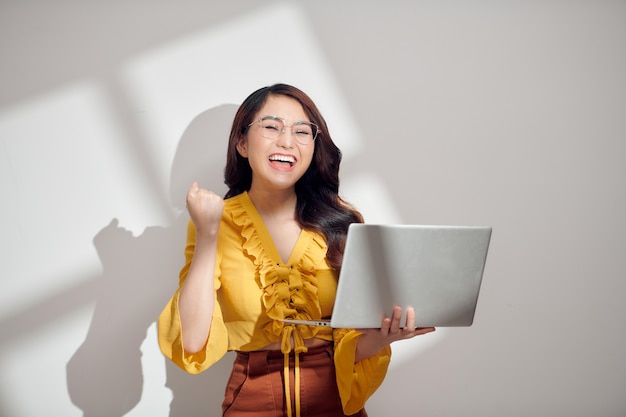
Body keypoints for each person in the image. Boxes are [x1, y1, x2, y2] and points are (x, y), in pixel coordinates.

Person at [158, 83, 435, 417]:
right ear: (242, 143)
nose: (287, 141)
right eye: (272, 127)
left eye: (302, 131)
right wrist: (208, 233)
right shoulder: (215, 222)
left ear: (313, 147)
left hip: (335, 400)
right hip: (252, 401)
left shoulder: (342, 222)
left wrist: (384, 337)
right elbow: (191, 340)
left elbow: (351, 343)